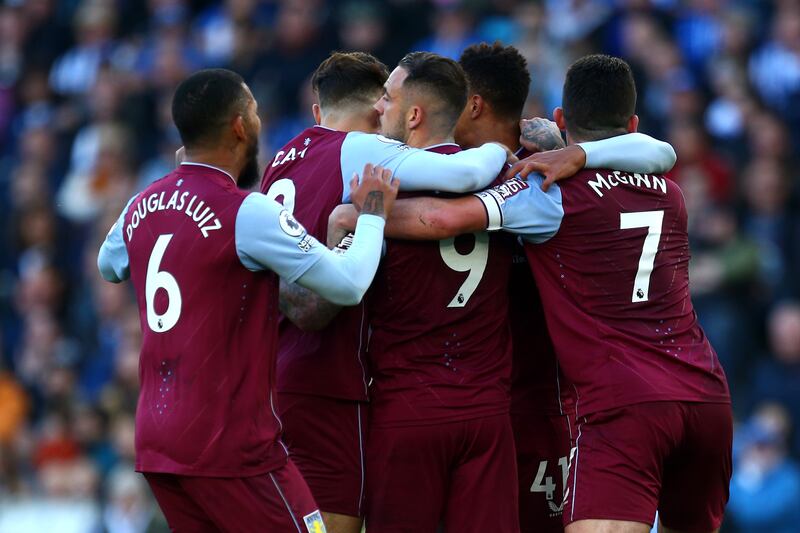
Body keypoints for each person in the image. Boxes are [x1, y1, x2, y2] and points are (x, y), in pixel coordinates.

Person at [337, 55, 732, 533]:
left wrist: (366, 214)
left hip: (619, 403)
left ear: (562, 120)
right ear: (631, 125)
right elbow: (660, 153)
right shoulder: (671, 193)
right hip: (706, 396)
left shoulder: (546, 192)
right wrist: (581, 154)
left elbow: (444, 219)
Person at [97, 68, 399, 532]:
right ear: (240, 126)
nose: (259, 122)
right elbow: (348, 284)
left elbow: (108, 264)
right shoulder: (246, 211)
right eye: (255, 112)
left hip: (157, 443)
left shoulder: (142, 202)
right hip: (231, 443)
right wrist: (374, 215)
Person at [259, 51, 514, 533]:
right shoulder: (357, 149)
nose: (384, 111)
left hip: (276, 374)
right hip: (337, 383)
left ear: (317, 112)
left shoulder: (277, 163)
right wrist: (503, 149)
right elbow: (463, 177)